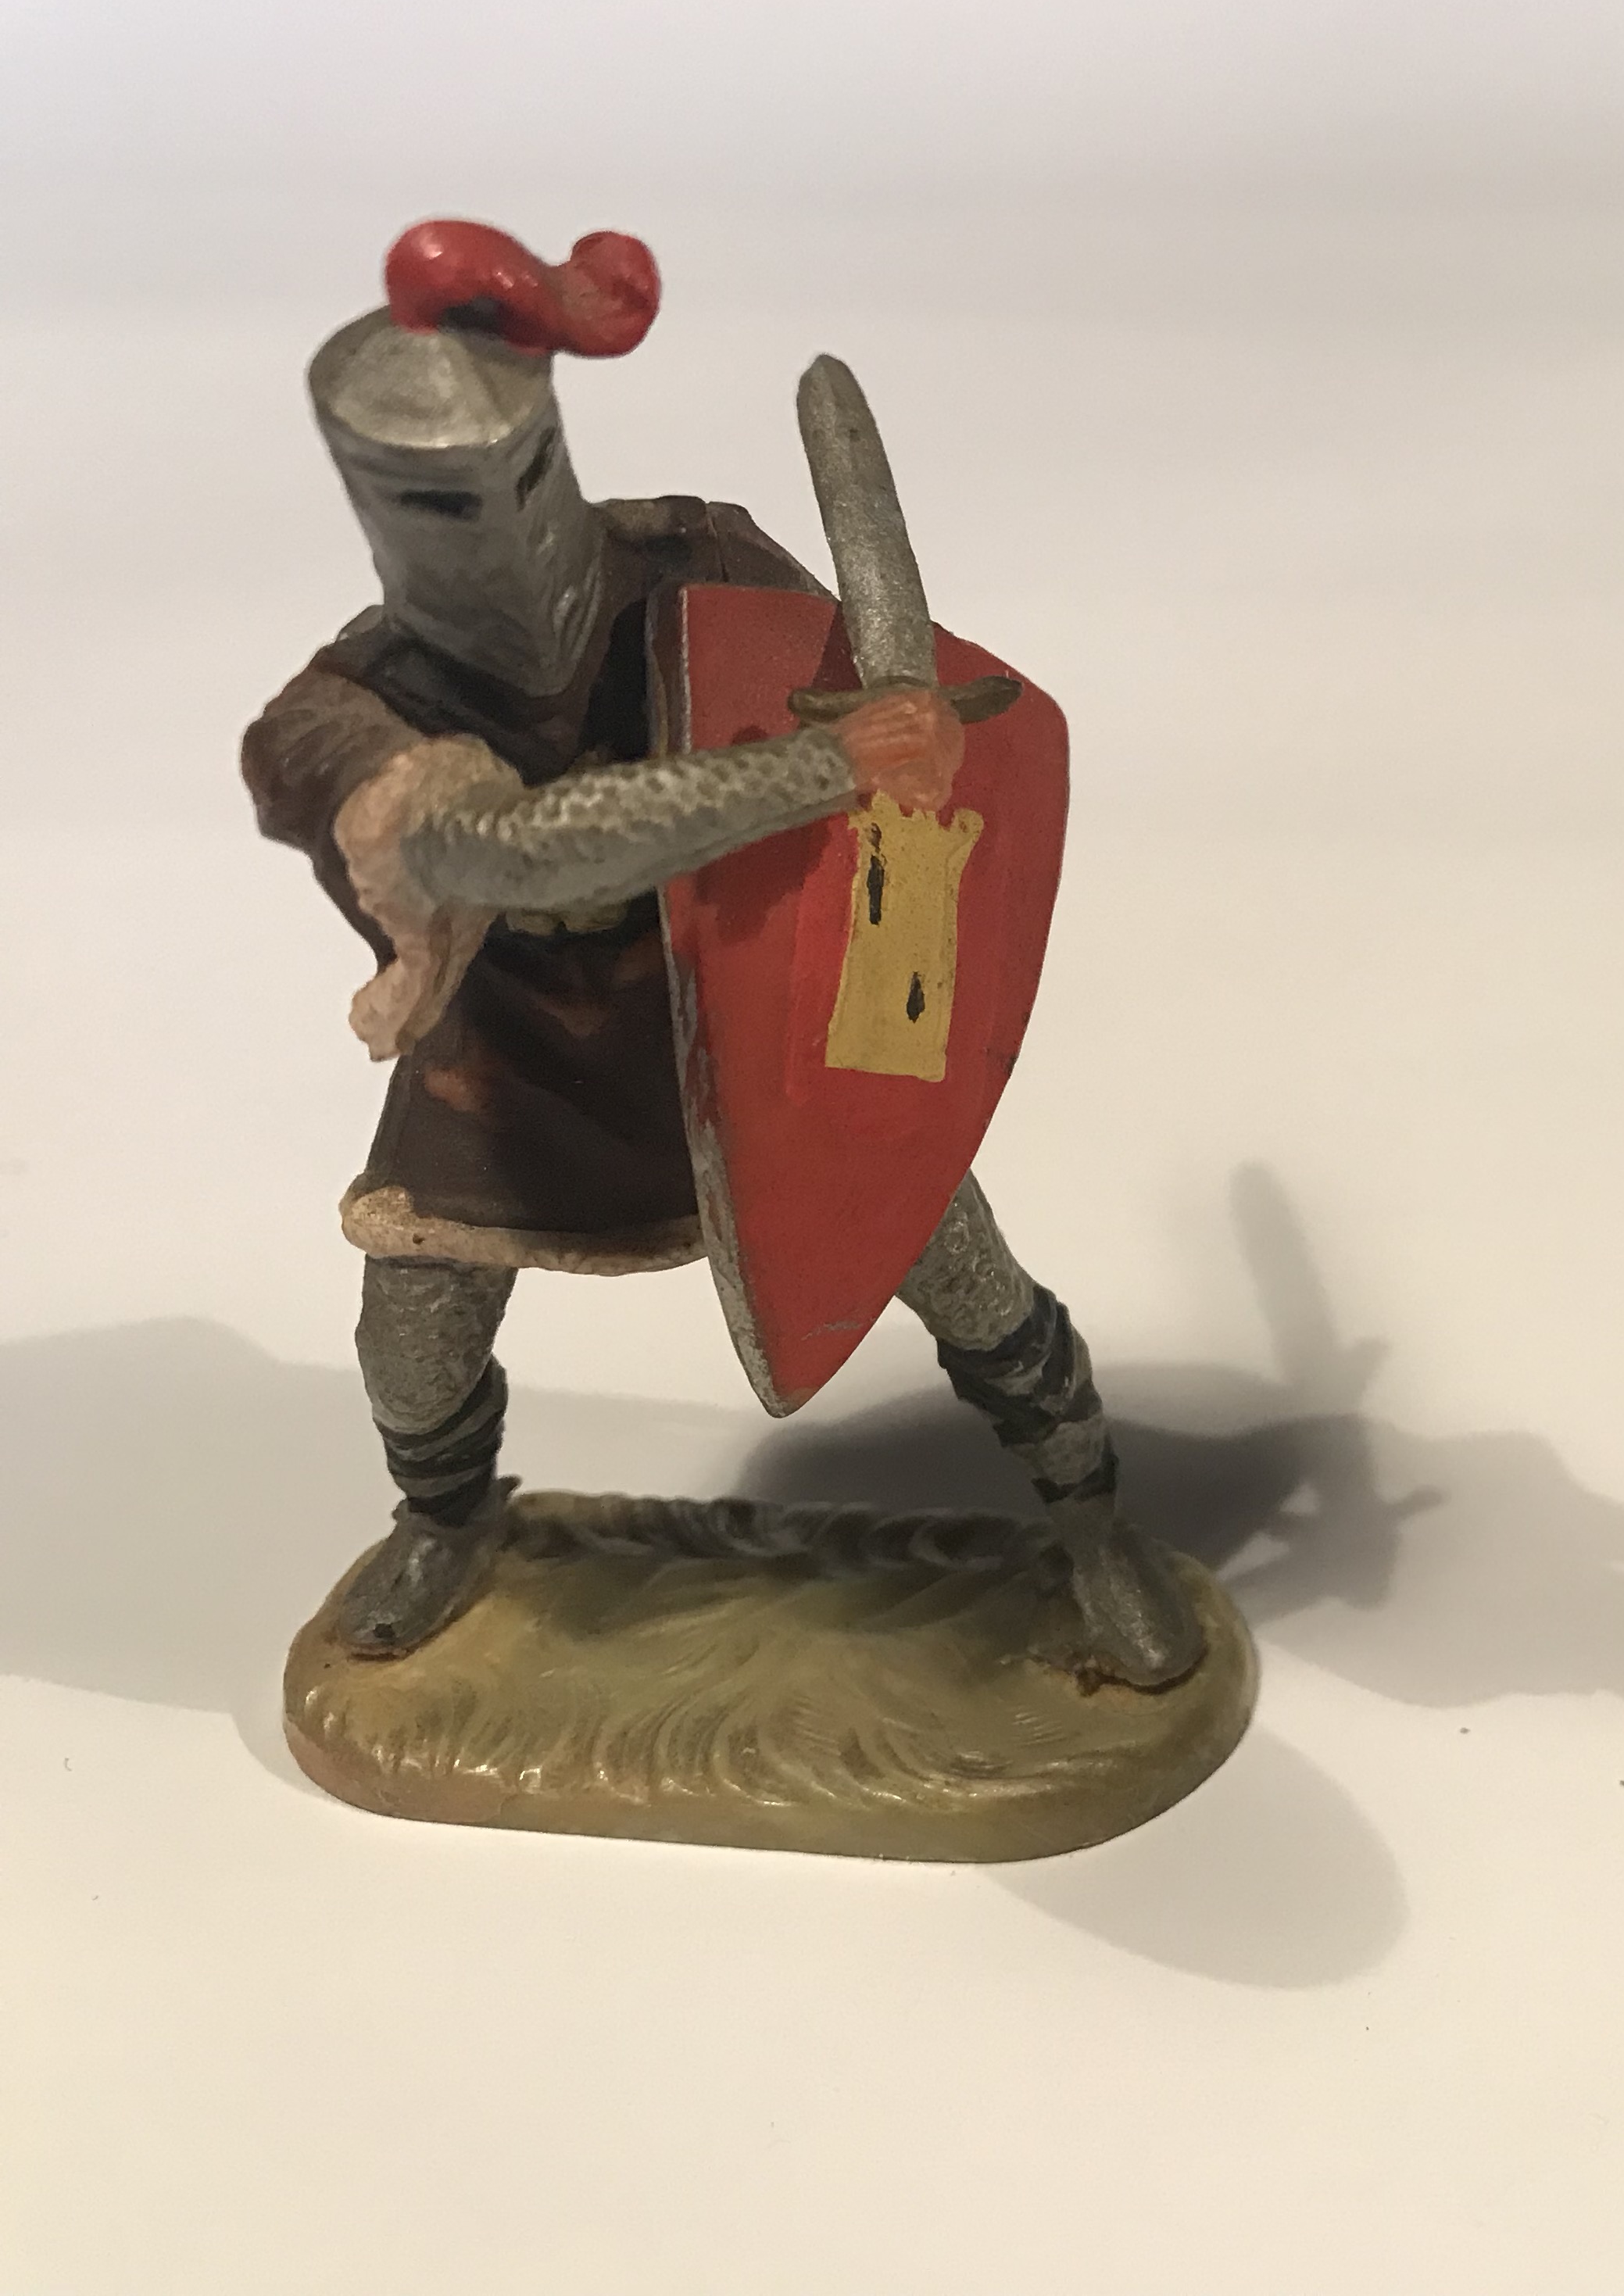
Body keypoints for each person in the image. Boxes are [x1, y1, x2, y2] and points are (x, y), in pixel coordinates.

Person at [240, 222, 1199, 1687]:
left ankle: (1091, 1526)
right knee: (412, 1330)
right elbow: (524, 851)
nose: (498, 528)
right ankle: (446, 1522)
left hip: (757, 1008)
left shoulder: (696, 562)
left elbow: (870, 720)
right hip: (514, 1054)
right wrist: (834, 768)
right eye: (440, 500)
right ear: (373, 500)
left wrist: (912, 742)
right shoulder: (335, 720)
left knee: (960, 1270)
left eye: (521, 476)